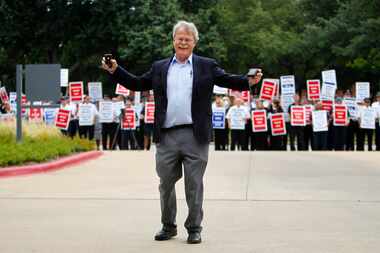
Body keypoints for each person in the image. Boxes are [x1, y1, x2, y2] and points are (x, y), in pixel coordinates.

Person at [102, 20, 263, 244]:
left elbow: (228, 80)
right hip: (166, 135)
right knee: (165, 183)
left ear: (195, 42)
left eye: (188, 39)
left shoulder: (206, 65)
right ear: (173, 41)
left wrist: (249, 81)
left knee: (194, 184)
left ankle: (194, 227)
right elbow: (138, 83)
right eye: (180, 38)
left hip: (195, 135)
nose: (183, 42)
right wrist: (115, 70)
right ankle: (168, 226)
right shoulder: (160, 67)